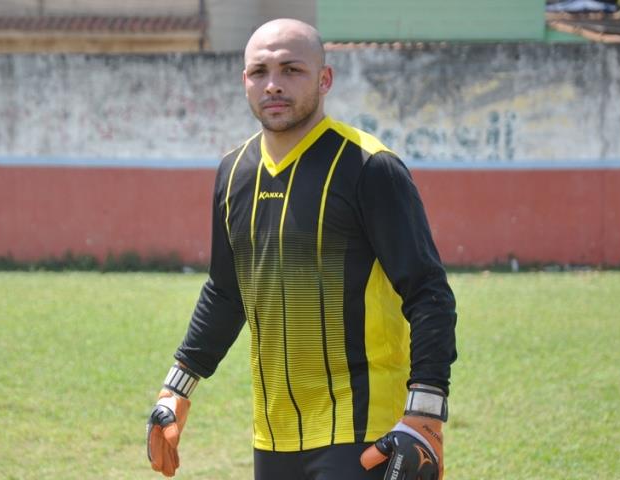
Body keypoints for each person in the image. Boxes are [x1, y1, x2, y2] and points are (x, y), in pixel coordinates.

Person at [146, 18, 457, 480]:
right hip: (273, 434)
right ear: (244, 81)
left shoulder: (370, 167)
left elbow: (428, 291)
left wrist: (425, 413)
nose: (273, 85)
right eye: (259, 72)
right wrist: (177, 388)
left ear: (324, 79)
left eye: (292, 70)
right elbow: (227, 291)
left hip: (365, 429)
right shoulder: (234, 173)